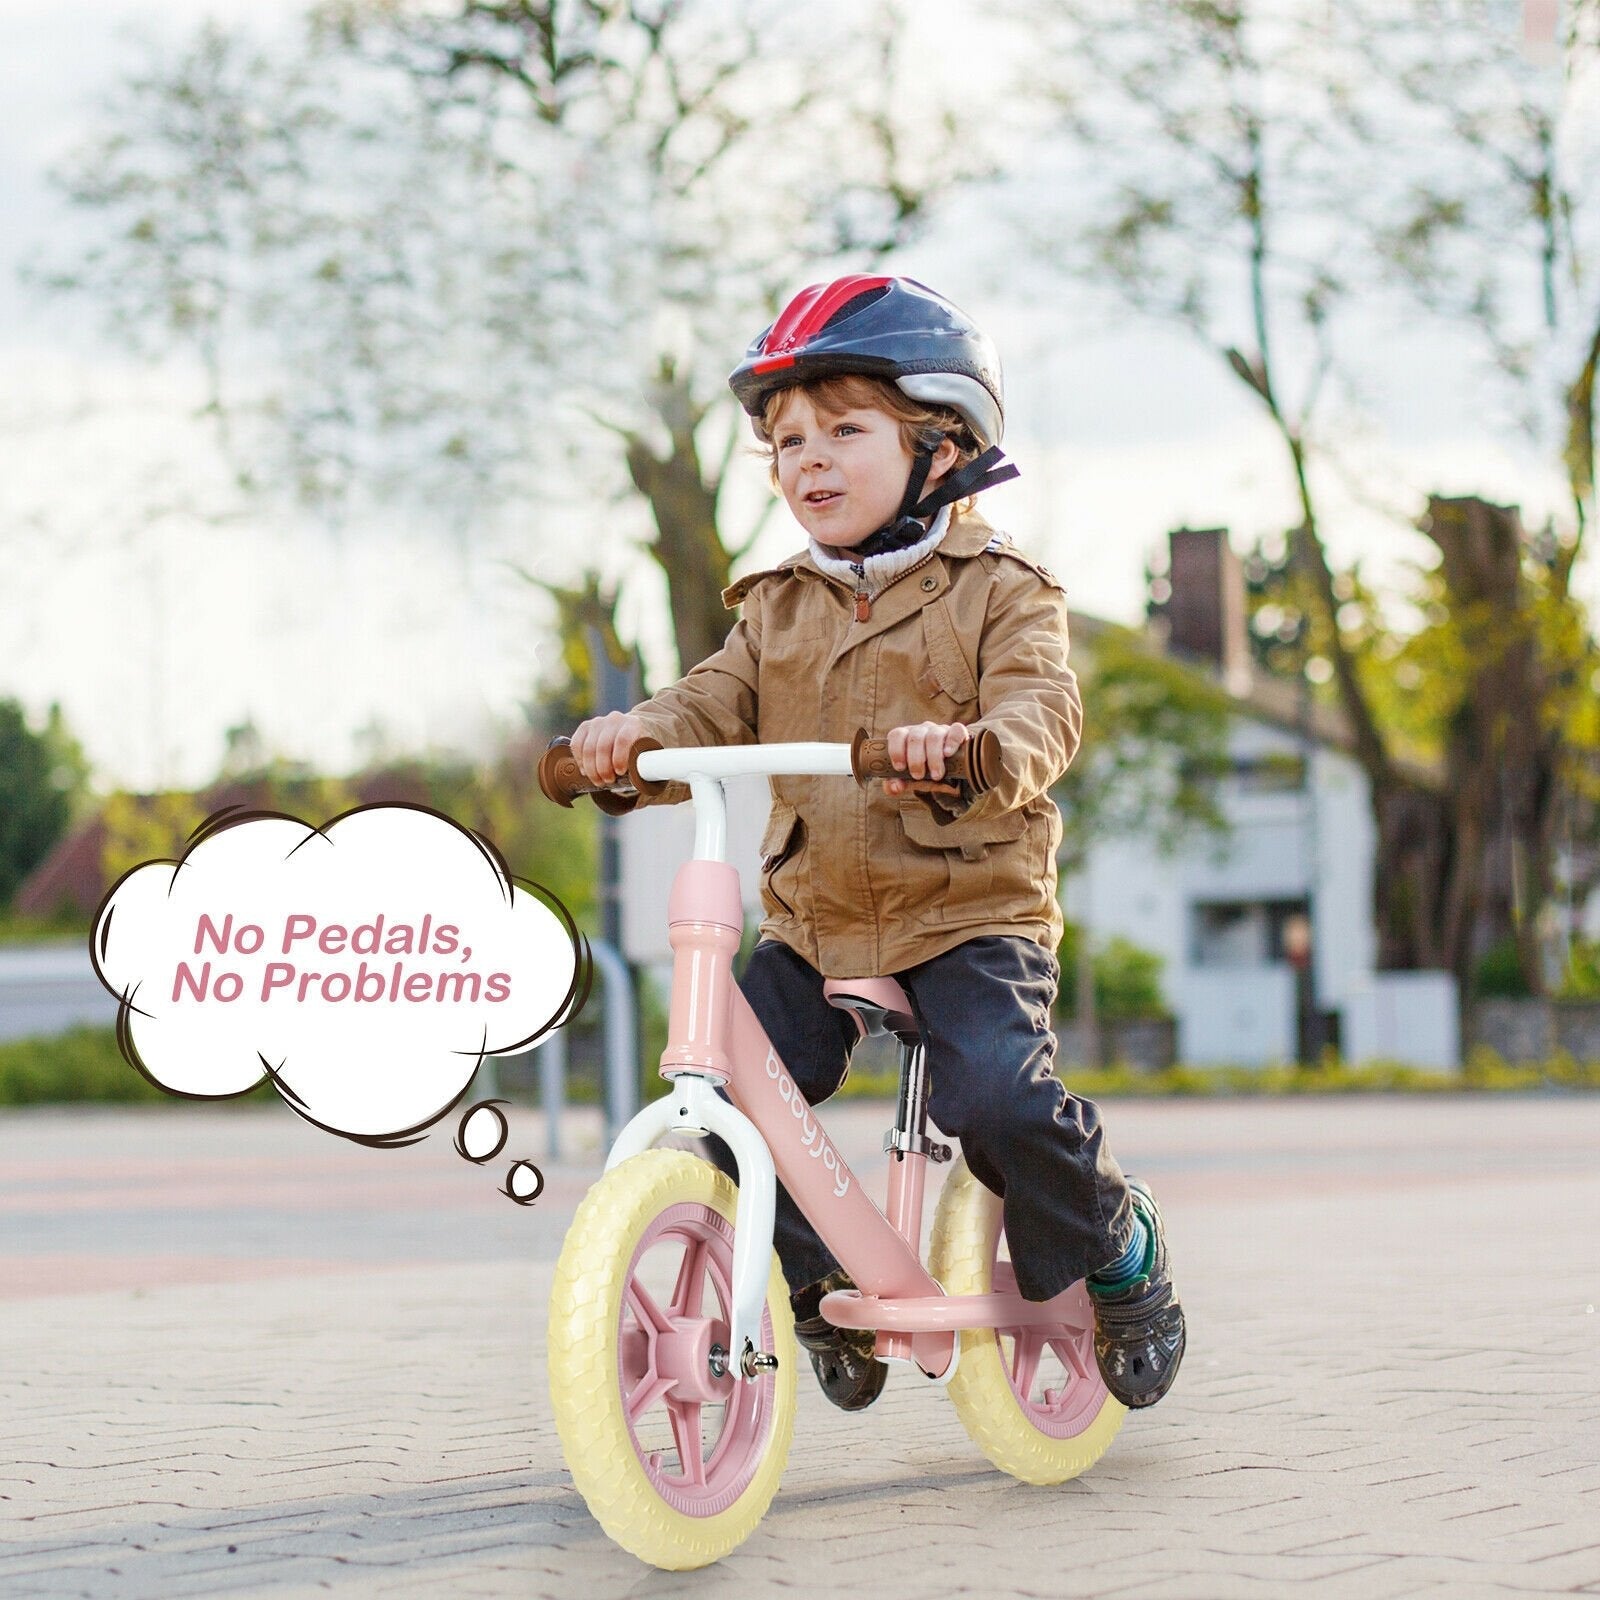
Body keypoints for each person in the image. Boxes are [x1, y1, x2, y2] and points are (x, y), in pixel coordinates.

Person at [569, 275, 1184, 1414]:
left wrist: (974, 747)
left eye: (844, 429)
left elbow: (1041, 712)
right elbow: (707, 705)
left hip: (967, 913)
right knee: (728, 1085)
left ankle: (1117, 1242)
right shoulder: (775, 607)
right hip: (818, 919)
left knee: (995, 1096)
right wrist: (628, 740)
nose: (808, 458)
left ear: (939, 446)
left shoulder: (1003, 590)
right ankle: (820, 1282)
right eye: (786, 440)